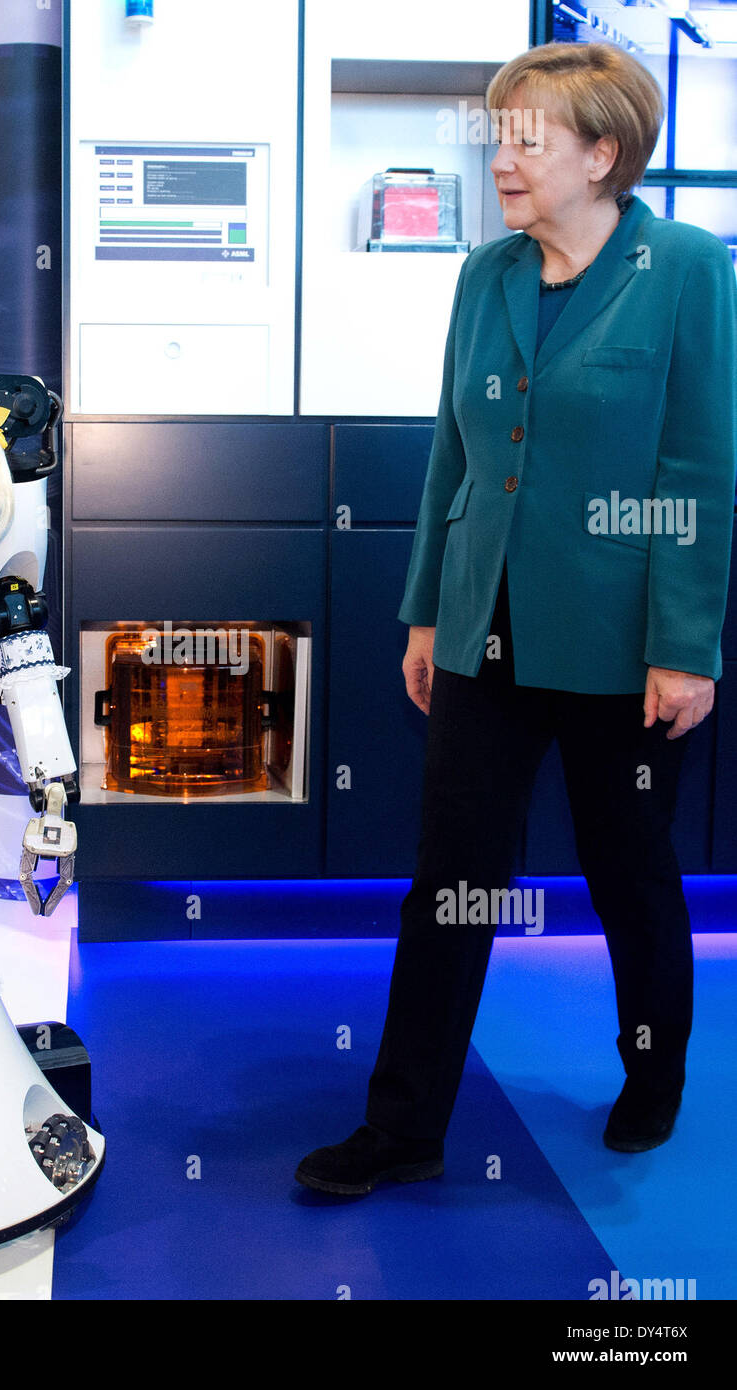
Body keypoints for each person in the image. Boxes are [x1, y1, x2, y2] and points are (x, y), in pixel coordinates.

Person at [296, 41, 737, 1194]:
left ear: (600, 153)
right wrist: (423, 616)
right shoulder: (483, 276)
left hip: (621, 648)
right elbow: (453, 451)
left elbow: (696, 469)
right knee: (451, 876)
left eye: (525, 137)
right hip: (480, 632)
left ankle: (651, 1078)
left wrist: (682, 648)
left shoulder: (686, 268)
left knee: (627, 874)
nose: (500, 157)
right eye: (497, 135)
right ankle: (402, 1123)